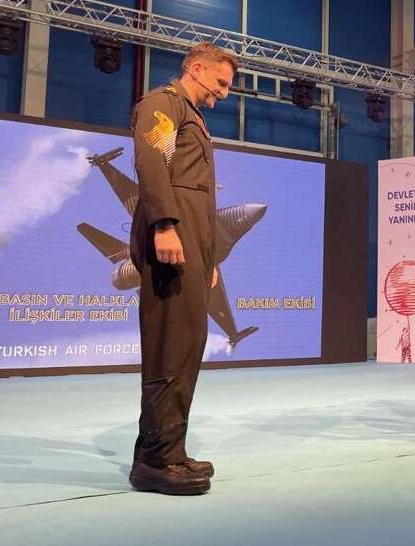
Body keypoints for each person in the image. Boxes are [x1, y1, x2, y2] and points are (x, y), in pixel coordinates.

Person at [128, 42, 237, 495]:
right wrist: (164, 225)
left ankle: (167, 449)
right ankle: (157, 462)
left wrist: (208, 259)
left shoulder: (191, 115)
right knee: (169, 348)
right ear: (196, 68)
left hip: (192, 249)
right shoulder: (163, 103)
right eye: (221, 82)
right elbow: (152, 162)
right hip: (171, 242)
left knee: (187, 345)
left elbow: (198, 199)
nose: (224, 93)